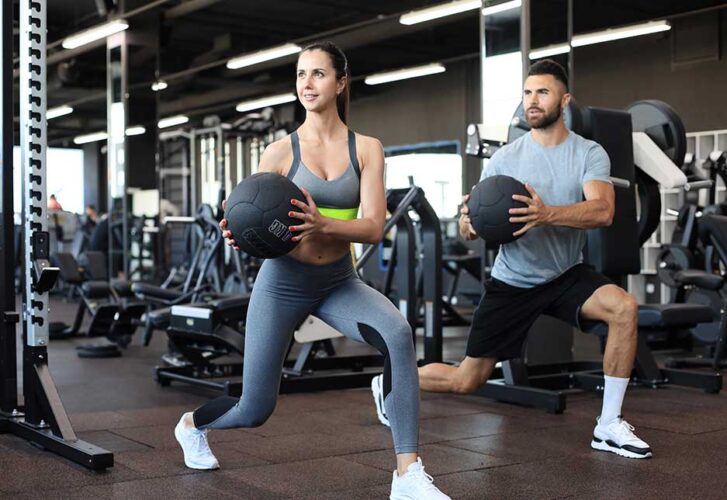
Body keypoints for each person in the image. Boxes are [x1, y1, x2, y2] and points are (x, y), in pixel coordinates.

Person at [174, 41, 450, 499]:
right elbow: (253, 224)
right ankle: (190, 425)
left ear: (341, 82)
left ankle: (407, 472)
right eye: (301, 74)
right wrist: (237, 233)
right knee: (254, 408)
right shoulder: (280, 152)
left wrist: (324, 223)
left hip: (338, 282)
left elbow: (374, 227)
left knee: (399, 334)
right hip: (282, 284)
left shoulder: (368, 149)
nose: (307, 83)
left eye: (319, 74)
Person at [372, 59, 652, 460]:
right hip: (514, 281)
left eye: (542, 92)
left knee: (623, 308)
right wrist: (469, 220)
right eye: (526, 93)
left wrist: (546, 214)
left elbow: (602, 211)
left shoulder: (589, 153)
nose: (531, 102)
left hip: (565, 274)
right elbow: (470, 229)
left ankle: (608, 425)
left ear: (565, 99)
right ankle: (390, 383)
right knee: (467, 380)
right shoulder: (505, 159)